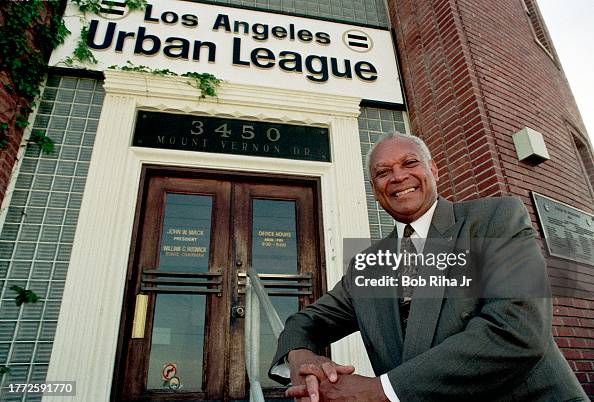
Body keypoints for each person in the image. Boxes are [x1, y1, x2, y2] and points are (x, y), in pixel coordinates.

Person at [268, 132, 587, 401]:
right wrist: (301, 359)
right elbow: (305, 321)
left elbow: (518, 330)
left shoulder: (495, 219)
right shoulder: (367, 265)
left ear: (434, 171)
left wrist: (379, 392)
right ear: (376, 192)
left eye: (409, 163)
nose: (397, 176)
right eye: (382, 172)